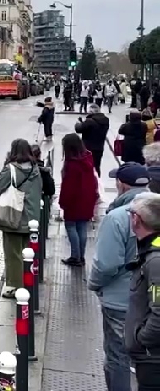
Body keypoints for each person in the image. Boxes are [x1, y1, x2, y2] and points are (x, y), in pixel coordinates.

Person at [88, 162, 152, 391]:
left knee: (118, 357)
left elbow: (106, 264)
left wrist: (94, 285)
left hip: (120, 301)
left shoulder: (118, 217)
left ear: (122, 185)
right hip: (152, 299)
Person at [0, 139, 43, 298]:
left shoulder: (10, 170)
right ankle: (29, 283)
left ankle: (16, 287)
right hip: (32, 218)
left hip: (14, 218)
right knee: (28, 252)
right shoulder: (35, 169)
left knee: (13, 254)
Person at [126, 194, 160, 389]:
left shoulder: (155, 260)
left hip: (153, 360)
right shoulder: (151, 251)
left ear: (137, 219)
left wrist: (141, 339)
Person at [59, 133, 100, 266]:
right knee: (82, 227)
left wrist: (63, 202)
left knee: (71, 226)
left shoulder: (72, 164)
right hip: (87, 199)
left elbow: (68, 187)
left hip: (74, 201)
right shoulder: (88, 158)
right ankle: (81, 256)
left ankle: (75, 256)